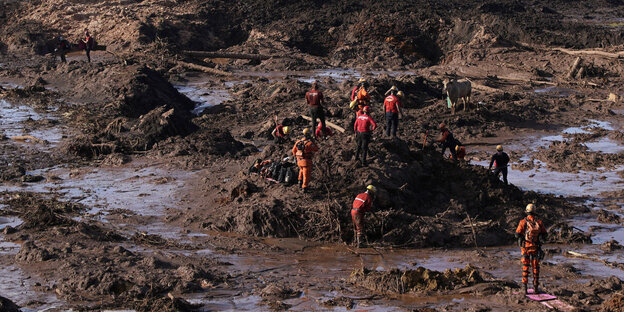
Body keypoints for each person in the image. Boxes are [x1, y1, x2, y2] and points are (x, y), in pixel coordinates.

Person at [515, 204, 547, 294]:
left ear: (526, 211)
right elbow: (545, 234)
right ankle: (536, 288)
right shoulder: (539, 222)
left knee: (525, 267)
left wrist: (521, 240)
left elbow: (517, 234)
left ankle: (524, 288)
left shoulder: (523, 222)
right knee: (535, 268)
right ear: (534, 211)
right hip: (536, 248)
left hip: (525, 248)